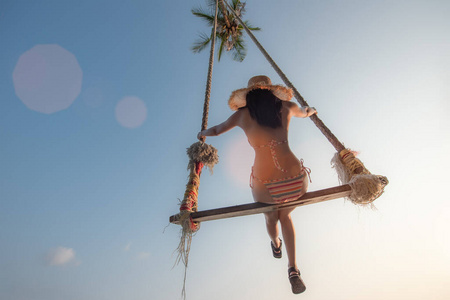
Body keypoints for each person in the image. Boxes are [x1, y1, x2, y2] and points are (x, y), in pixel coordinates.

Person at [197, 75, 317, 294]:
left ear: (248, 97)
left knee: (272, 216)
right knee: (286, 215)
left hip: (266, 185)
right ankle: (293, 268)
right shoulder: (288, 106)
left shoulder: (242, 115)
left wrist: (201, 133)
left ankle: (277, 244)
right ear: (271, 92)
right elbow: (305, 112)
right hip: (296, 181)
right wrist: (311, 110)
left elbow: (215, 130)